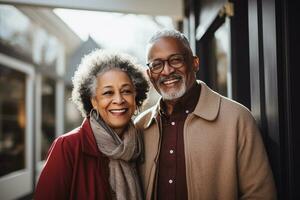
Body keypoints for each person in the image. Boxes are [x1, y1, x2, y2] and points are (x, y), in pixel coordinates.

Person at [134, 29, 277, 200]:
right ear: (149, 74)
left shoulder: (237, 118)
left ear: (195, 63)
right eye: (157, 64)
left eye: (176, 60)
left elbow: (260, 194)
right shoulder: (140, 126)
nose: (167, 71)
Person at [35, 49, 149, 200]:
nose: (119, 100)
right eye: (108, 93)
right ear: (93, 101)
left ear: (136, 97)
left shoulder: (140, 145)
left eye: (126, 91)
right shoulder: (68, 146)